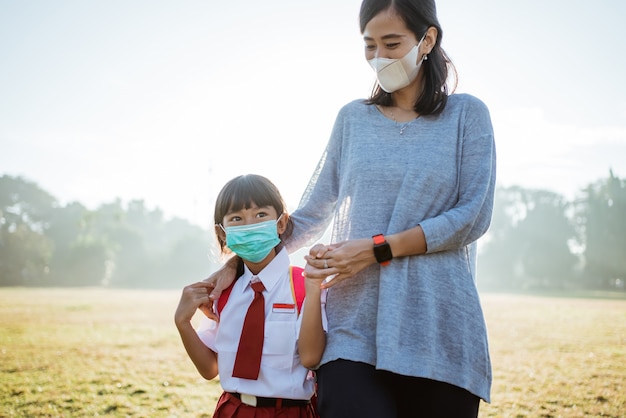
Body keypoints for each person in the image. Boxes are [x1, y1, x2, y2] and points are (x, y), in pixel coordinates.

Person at [206, 0, 496, 416]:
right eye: (370, 45)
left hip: (437, 328)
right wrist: (236, 264)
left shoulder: (468, 115)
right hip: (352, 328)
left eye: (392, 43)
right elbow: (308, 216)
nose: (380, 57)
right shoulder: (353, 120)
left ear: (428, 39)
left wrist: (377, 249)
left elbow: (471, 216)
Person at [174, 174, 326, 418]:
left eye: (260, 215)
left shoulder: (304, 285)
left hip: (289, 413)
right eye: (236, 218)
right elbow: (209, 368)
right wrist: (182, 323)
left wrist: (313, 289)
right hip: (232, 410)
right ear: (222, 232)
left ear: (281, 223)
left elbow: (311, 358)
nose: (249, 225)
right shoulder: (223, 292)